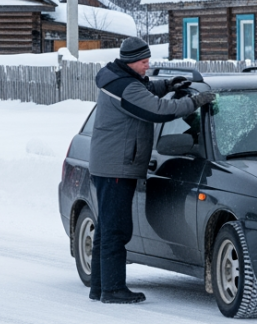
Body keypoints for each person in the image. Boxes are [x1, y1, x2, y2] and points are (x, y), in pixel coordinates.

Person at [89, 36, 216, 304]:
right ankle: (112, 289)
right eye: (144, 62)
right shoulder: (125, 87)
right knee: (116, 229)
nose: (148, 66)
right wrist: (195, 102)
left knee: (106, 227)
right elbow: (159, 111)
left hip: (112, 163)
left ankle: (100, 286)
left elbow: (144, 89)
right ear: (132, 62)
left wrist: (167, 85)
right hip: (117, 166)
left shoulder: (119, 79)